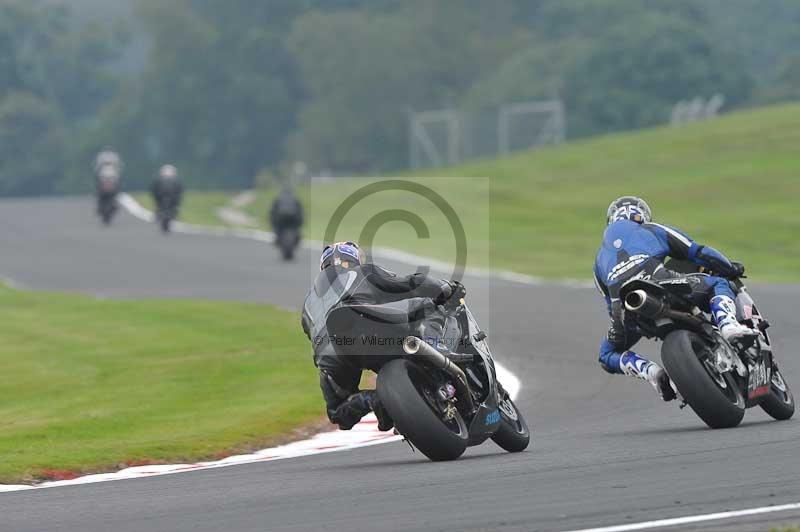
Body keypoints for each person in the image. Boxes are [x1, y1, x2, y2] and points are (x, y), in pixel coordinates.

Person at [594, 196, 755, 401]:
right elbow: (697, 252)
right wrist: (730, 268)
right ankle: (728, 324)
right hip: (660, 282)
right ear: (641, 215)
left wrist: (618, 327)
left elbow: (611, 307)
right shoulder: (651, 229)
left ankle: (651, 372)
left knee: (606, 355)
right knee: (717, 283)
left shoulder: (598, 261)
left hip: (626, 309)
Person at [301, 241, 466, 431]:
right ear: (353, 259)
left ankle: (372, 400)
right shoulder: (363, 272)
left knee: (338, 412)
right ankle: (437, 348)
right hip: (367, 329)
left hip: (331, 354)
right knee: (431, 305)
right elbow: (409, 284)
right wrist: (444, 288)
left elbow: (310, 334)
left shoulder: (307, 304)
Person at [93, 148, 122, 214]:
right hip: (105, 178)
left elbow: (118, 168)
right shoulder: (109, 157)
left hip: (111, 178)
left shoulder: (109, 157)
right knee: (98, 187)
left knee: (116, 188)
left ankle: (114, 199)